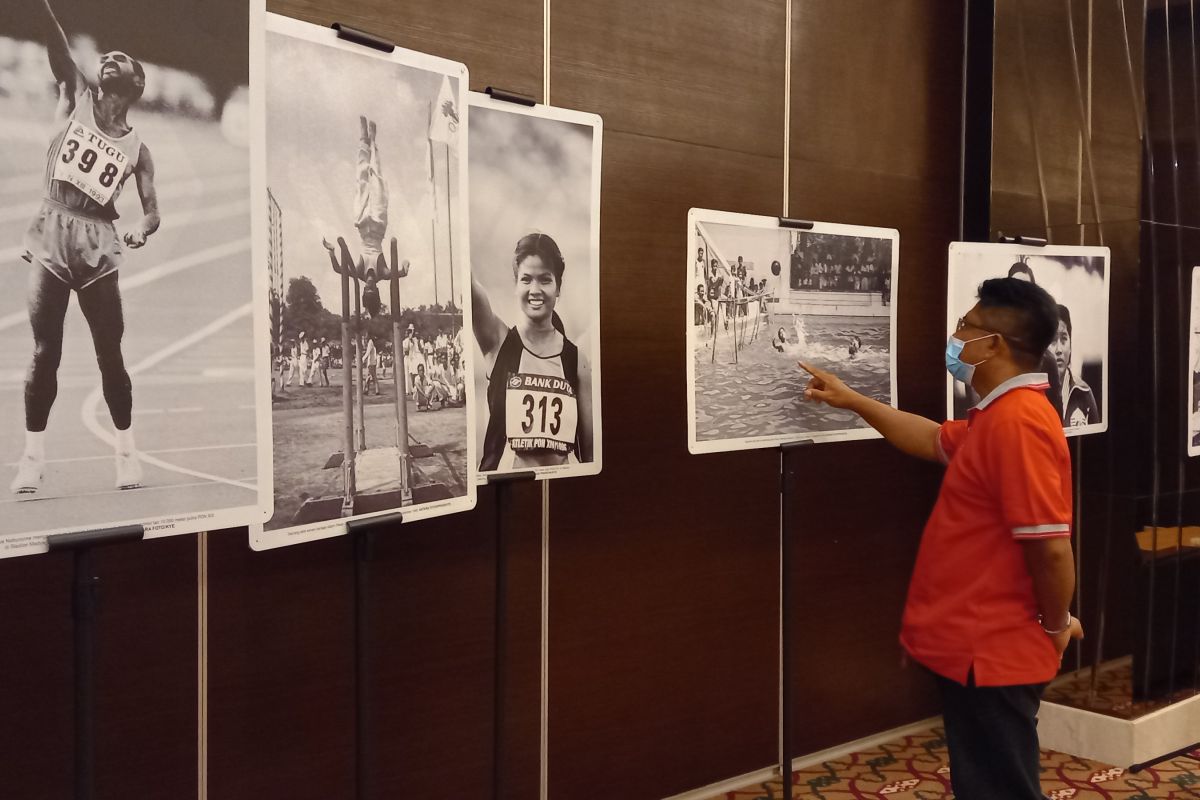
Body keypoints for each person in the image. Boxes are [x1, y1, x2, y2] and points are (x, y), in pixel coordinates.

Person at [800, 277, 1082, 800]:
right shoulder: (998, 416)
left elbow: (1050, 545)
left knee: (999, 786)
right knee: (987, 778)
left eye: (965, 326)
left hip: (992, 646)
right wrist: (853, 400)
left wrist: (1056, 623)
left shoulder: (1018, 423)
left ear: (993, 344)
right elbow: (932, 438)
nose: (955, 336)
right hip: (977, 643)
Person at [11, 0, 162, 494]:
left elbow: (152, 210)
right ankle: (32, 458)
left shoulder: (138, 149)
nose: (109, 58)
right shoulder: (76, 94)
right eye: (106, 56)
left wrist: (143, 227)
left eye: (120, 58)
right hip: (53, 230)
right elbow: (57, 46)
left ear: (135, 84)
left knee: (109, 355)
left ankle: (125, 452)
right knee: (44, 352)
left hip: (98, 245)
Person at [472, 233, 593, 470]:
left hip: (560, 490)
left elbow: (589, 455)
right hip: (508, 492)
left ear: (558, 287)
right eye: (526, 279)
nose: (535, 290)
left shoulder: (577, 360)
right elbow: (467, 285)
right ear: (516, 286)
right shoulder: (498, 341)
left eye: (545, 280)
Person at [1051, 304, 1099, 428]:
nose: (1059, 349)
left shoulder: (1084, 392)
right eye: (1052, 340)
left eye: (1064, 339)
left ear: (1070, 345)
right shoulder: (1034, 395)